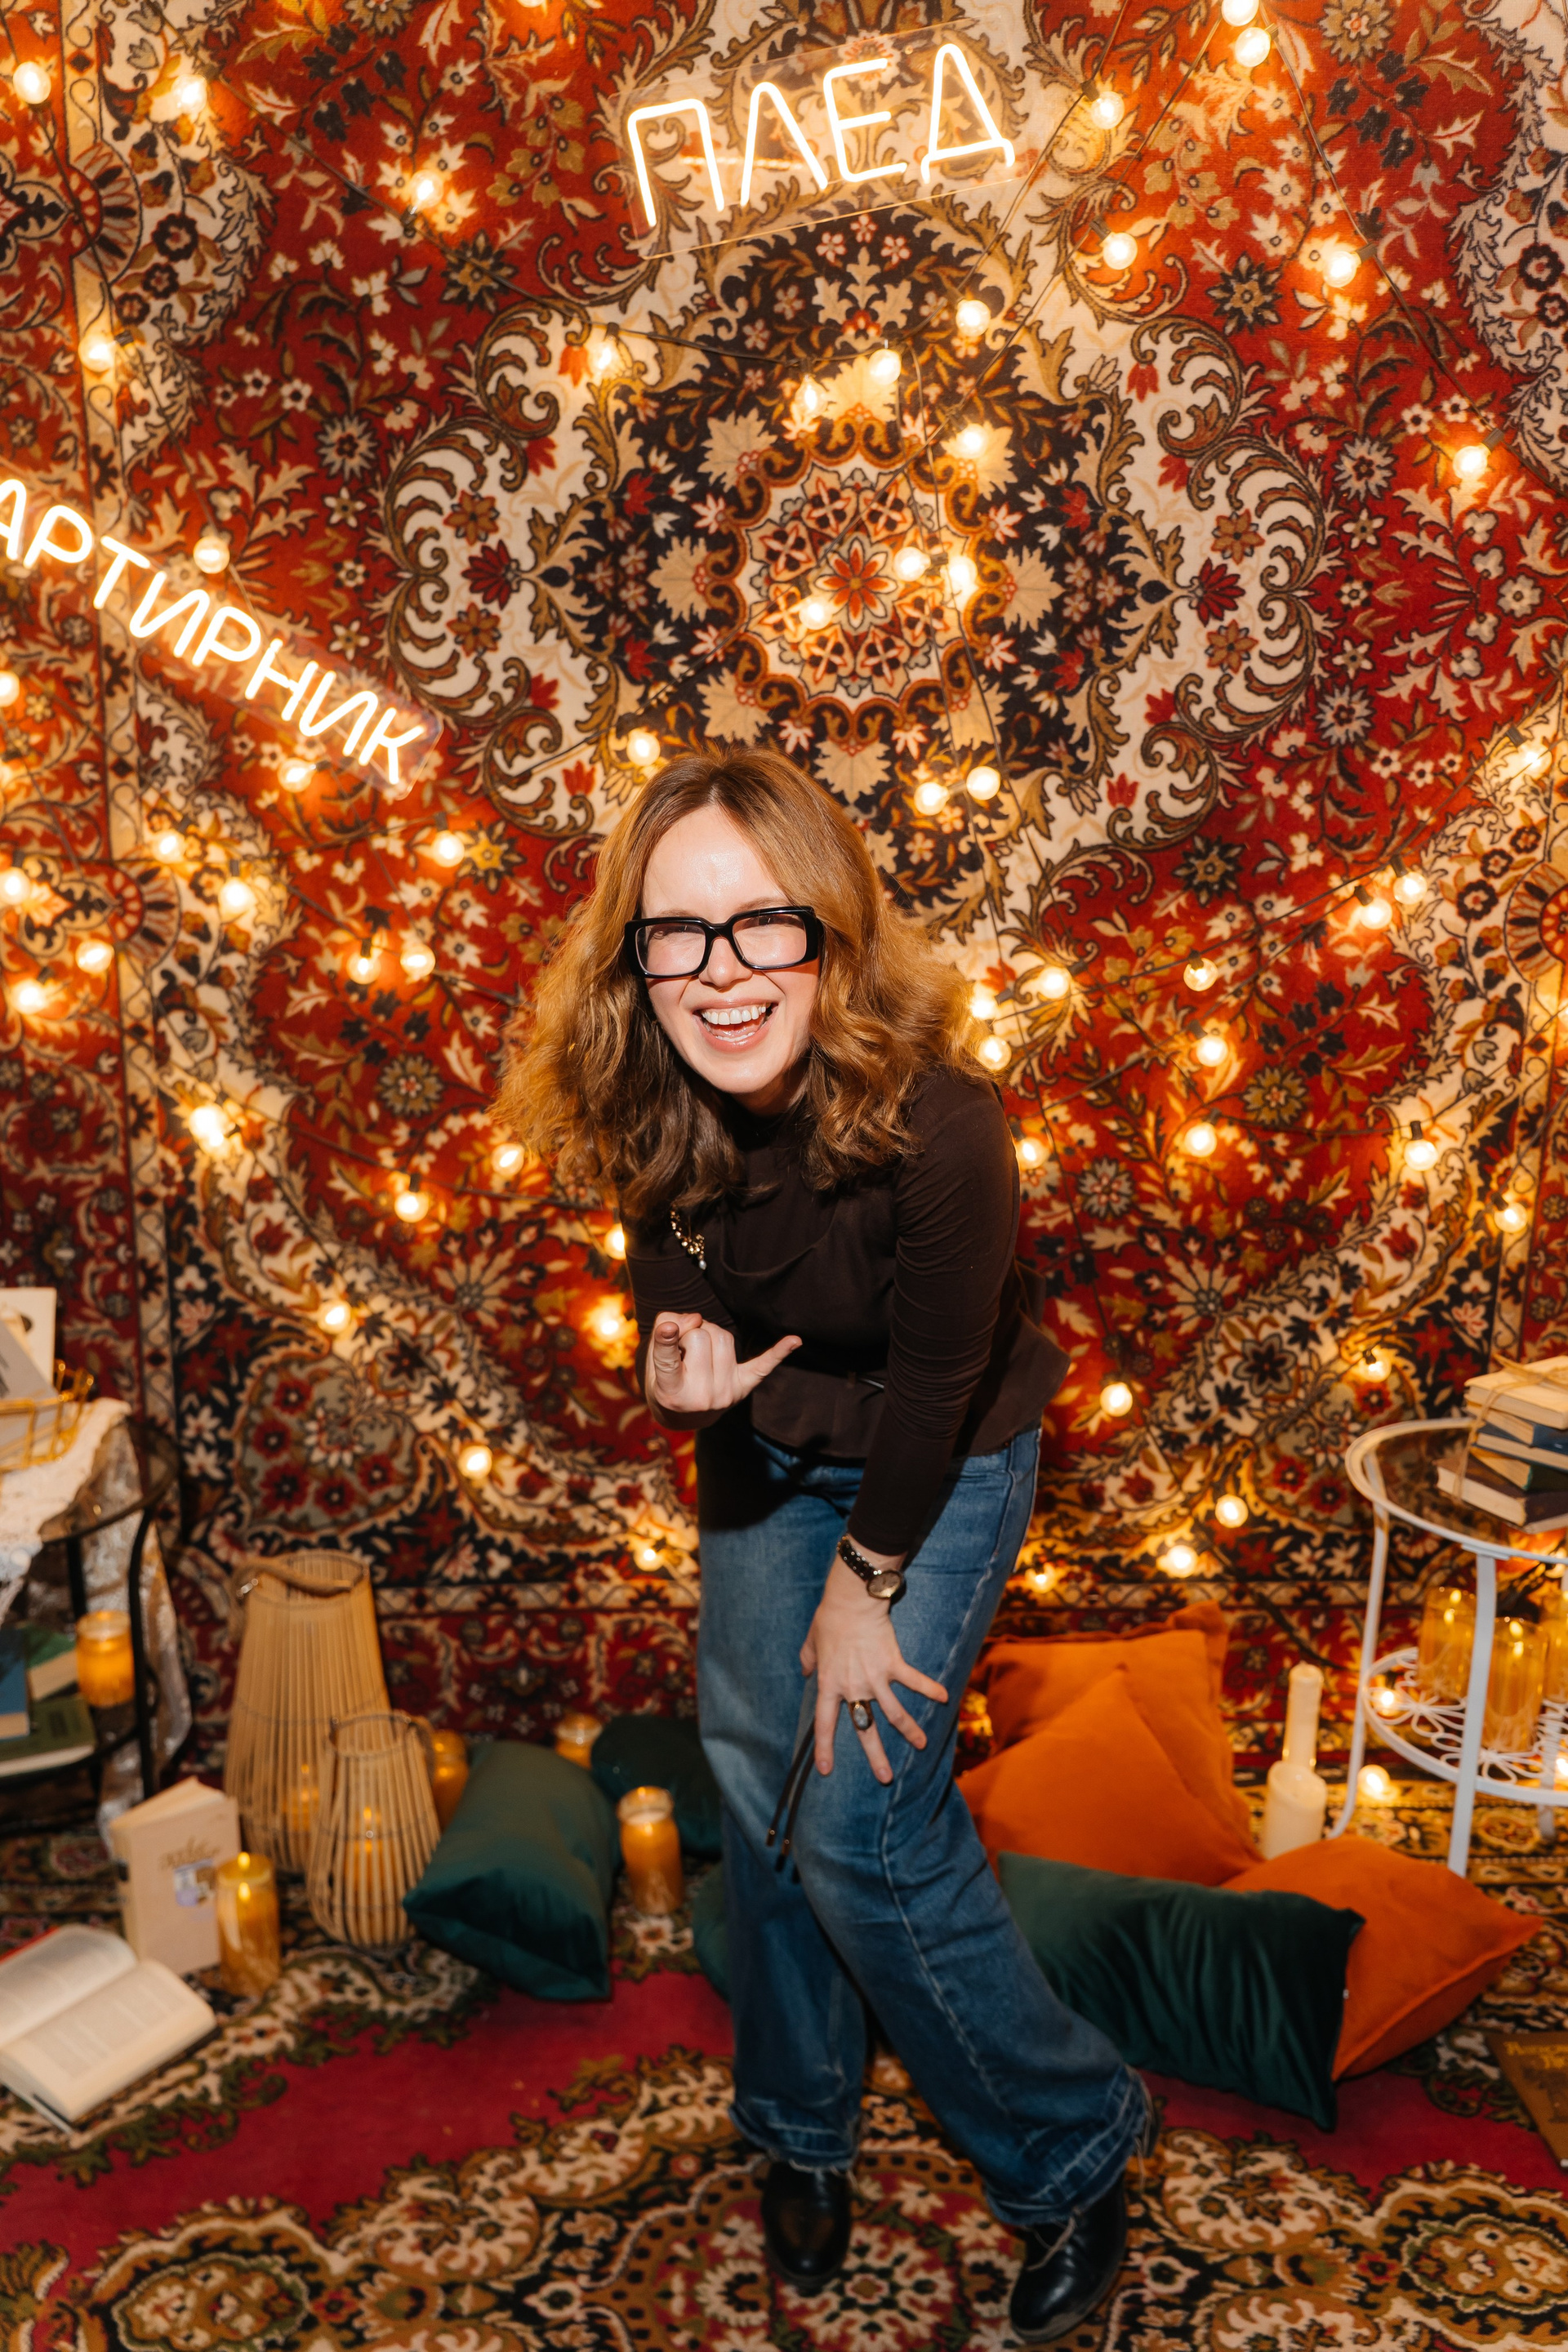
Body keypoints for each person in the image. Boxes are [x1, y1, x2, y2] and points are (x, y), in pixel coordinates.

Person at [500, 746, 1149, 2341]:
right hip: (767, 1447)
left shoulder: (947, 1126)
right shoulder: (655, 1094)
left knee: (859, 1822)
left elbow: (933, 1387)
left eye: (761, 925)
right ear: (636, 957)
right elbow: (672, 1293)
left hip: (942, 1455)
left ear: (832, 933)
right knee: (755, 1780)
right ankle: (802, 2122)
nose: (721, 973)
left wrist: (866, 1589)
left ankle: (1074, 2148)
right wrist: (671, 1364)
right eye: (678, 933)